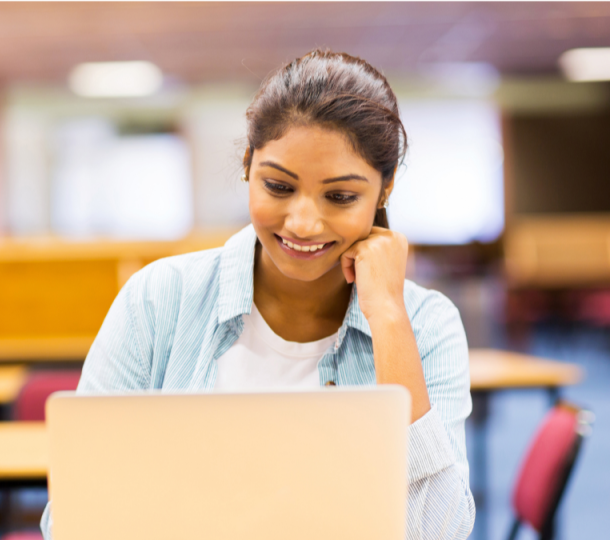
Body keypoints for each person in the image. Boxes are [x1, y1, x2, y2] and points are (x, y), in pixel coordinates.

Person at [41, 50, 474, 539]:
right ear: (248, 166)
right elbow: (73, 517)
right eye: (278, 186)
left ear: (385, 190)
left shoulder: (425, 323)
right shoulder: (159, 300)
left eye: (340, 197)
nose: (304, 223)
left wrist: (388, 316)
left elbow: (439, 531)